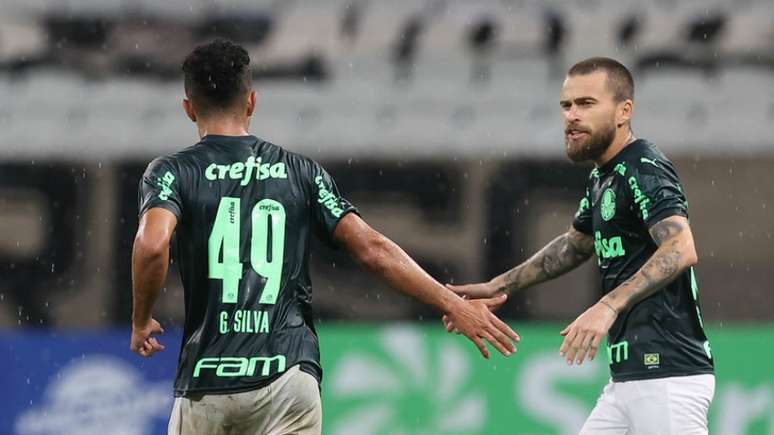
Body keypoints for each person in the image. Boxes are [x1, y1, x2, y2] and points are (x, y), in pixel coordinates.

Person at [128, 39, 519, 435]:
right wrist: (452, 303)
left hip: (208, 378)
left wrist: (142, 318)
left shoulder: (171, 172)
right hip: (287, 374)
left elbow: (153, 244)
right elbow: (373, 251)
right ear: (251, 102)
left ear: (189, 108)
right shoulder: (300, 171)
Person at [445, 57, 714, 434]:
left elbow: (681, 248)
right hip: (629, 378)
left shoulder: (643, 165)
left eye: (586, 104)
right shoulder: (603, 175)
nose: (572, 115)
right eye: (566, 105)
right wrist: (498, 286)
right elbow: (575, 245)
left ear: (624, 111)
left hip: (666, 374)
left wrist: (607, 306)